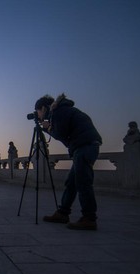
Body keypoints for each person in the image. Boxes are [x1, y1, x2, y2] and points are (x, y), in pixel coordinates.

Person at [35, 93, 102, 230]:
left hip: (85, 146)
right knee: (71, 183)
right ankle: (63, 213)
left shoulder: (59, 111)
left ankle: (89, 218)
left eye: (38, 112)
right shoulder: (61, 110)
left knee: (83, 182)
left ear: (43, 108)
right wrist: (49, 127)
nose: (39, 116)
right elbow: (65, 136)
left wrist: (48, 127)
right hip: (83, 146)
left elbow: (60, 134)